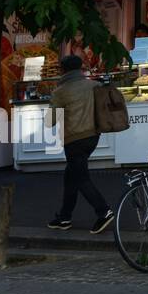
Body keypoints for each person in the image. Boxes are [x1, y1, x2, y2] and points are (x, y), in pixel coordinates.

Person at [46, 56, 114, 233]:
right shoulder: (94, 85)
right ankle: (64, 217)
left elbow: (49, 121)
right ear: (80, 68)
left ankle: (103, 211)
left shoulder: (61, 91)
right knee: (71, 176)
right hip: (93, 136)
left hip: (74, 139)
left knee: (81, 178)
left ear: (63, 69)